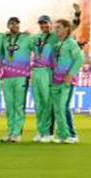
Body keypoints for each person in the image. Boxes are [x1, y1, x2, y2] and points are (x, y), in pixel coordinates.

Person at [51, 18, 84, 144]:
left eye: (59, 27)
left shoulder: (71, 43)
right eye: (55, 27)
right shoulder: (57, 44)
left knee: (64, 107)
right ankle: (62, 134)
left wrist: (70, 75)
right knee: (58, 108)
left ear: (66, 29)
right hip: (56, 79)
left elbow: (80, 59)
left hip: (67, 80)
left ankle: (72, 134)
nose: (56, 30)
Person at [1, 16, 33, 143]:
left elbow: (39, 45)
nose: (15, 26)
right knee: (9, 106)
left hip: (21, 76)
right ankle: (9, 132)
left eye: (17, 24)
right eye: (12, 24)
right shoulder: (4, 39)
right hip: (7, 76)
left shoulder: (27, 38)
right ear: (8, 26)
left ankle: (17, 133)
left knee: (19, 106)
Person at [30, 15, 58, 143]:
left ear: (50, 24)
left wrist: (77, 15)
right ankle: (40, 131)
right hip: (36, 71)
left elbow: (71, 29)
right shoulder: (36, 38)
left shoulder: (55, 37)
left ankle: (49, 132)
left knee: (48, 103)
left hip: (48, 71)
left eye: (45, 23)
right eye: (41, 24)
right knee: (39, 104)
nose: (43, 26)